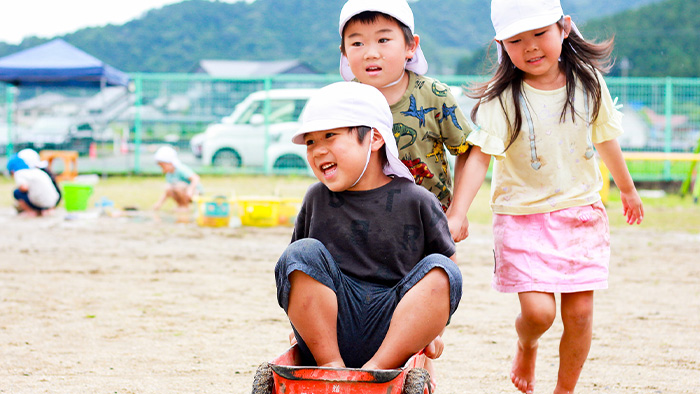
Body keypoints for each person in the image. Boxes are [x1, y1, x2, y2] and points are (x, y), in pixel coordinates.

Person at [461, 0, 645, 393]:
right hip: (521, 217)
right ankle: (526, 344)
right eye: (516, 40)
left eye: (540, 34)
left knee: (579, 314)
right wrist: (458, 212)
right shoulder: (502, 98)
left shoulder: (589, 83)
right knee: (540, 313)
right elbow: (479, 158)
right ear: (501, 45)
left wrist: (627, 189)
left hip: (580, 213)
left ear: (564, 27)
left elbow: (606, 139)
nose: (530, 47)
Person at [275, 82, 462, 374]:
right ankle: (331, 366)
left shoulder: (417, 200)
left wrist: (436, 332)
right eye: (311, 142)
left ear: (374, 139)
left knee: (443, 269)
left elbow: (443, 277)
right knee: (300, 253)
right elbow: (297, 279)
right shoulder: (317, 198)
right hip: (334, 327)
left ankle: (375, 370)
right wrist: (303, 328)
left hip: (394, 327)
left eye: (330, 136)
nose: (318, 150)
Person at [338, 0, 479, 242]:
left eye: (383, 40)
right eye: (357, 43)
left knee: (440, 276)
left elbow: (470, 150)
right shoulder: (344, 102)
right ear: (344, 52)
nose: (370, 52)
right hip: (362, 228)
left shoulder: (434, 95)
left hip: (429, 227)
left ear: (410, 46)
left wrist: (457, 212)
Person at [152, 145, 202, 211]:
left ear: (169, 163)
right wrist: (159, 204)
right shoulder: (169, 174)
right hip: (184, 191)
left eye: (162, 166)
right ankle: (180, 205)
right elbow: (167, 192)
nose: (162, 169)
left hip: (195, 192)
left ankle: (185, 206)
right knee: (169, 188)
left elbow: (196, 178)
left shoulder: (181, 169)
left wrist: (190, 190)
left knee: (178, 186)